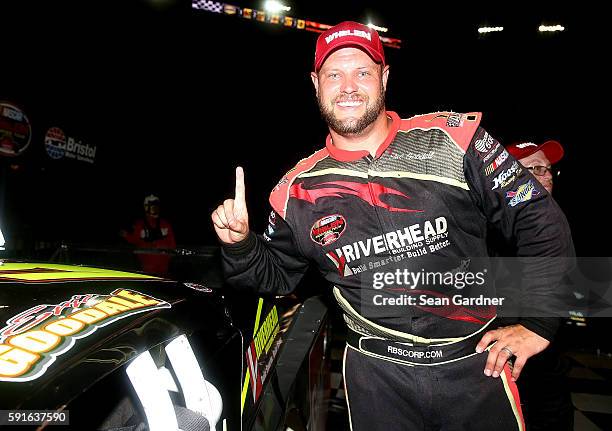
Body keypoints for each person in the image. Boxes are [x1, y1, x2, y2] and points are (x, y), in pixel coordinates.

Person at [211, 21, 573, 430]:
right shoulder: (294, 190)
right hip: (376, 379)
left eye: (362, 72)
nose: (348, 86)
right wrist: (240, 244)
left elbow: (539, 218)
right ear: (316, 84)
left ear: (384, 77)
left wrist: (541, 322)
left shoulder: (455, 138)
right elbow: (274, 277)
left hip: (476, 366)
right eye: (335, 74)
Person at [506, 140, 574, 431]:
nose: (546, 176)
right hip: (502, 365)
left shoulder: (555, 221)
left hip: (547, 362)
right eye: (535, 168)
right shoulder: (490, 223)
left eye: (548, 169)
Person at [122, 194, 176, 276]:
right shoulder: (139, 224)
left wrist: (169, 256)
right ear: (146, 207)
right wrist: (126, 235)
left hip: (163, 263)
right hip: (146, 263)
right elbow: (135, 240)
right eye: (151, 206)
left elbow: (172, 244)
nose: (154, 209)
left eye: (156, 206)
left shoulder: (165, 223)